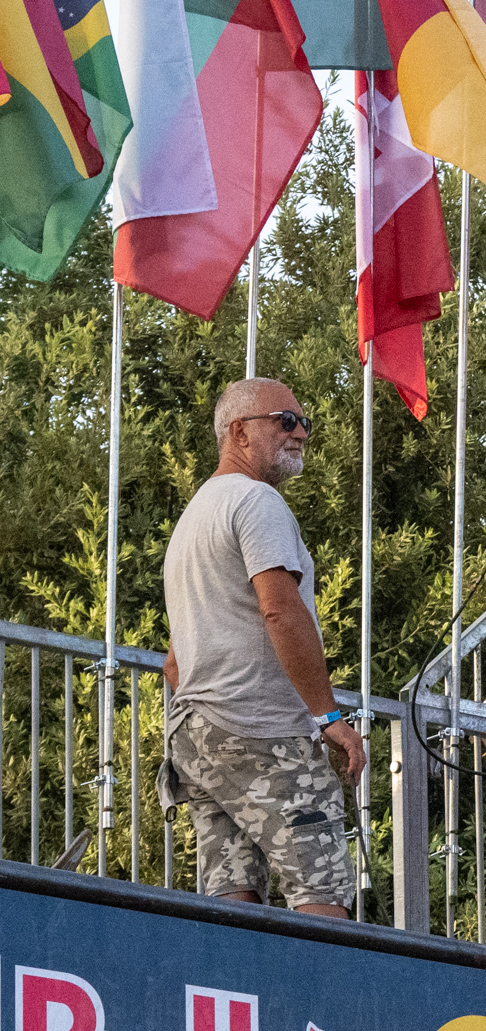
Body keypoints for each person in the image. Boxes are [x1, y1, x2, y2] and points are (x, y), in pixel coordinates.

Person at [160, 378, 366, 917]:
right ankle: (326, 1002)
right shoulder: (257, 501)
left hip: (195, 730)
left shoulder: (193, 519)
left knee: (232, 895)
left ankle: (234, 1001)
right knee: (321, 890)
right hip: (260, 727)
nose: (299, 433)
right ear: (238, 432)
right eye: (284, 420)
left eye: (303, 423)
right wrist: (328, 716)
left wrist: (216, 715)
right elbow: (280, 608)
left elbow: (174, 662)